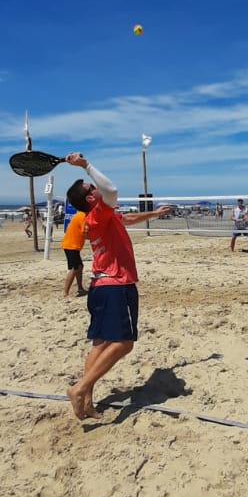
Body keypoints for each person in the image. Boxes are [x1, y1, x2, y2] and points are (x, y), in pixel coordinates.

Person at [64, 152, 172, 420]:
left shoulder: (104, 216)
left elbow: (130, 219)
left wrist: (155, 214)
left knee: (100, 345)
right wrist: (86, 165)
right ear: (91, 198)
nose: (97, 189)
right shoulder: (98, 212)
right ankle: (81, 388)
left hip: (99, 287)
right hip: (116, 285)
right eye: (92, 188)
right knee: (125, 344)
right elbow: (111, 189)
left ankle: (86, 401)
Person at [61, 210, 88, 298]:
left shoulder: (79, 214)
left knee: (80, 266)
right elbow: (85, 233)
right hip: (71, 246)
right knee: (74, 268)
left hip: (72, 245)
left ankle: (80, 288)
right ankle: (65, 292)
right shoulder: (83, 216)